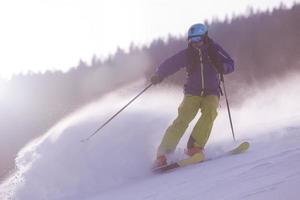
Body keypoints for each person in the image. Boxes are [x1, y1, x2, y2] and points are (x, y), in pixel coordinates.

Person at [151, 23, 235, 168]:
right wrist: (159, 75)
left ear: (205, 37)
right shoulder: (188, 54)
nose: (195, 43)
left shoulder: (214, 49)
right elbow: (171, 63)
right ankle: (163, 155)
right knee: (182, 119)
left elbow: (230, 63)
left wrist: (223, 68)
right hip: (192, 92)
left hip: (212, 92)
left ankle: (194, 147)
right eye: (192, 40)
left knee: (210, 112)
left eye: (198, 39)